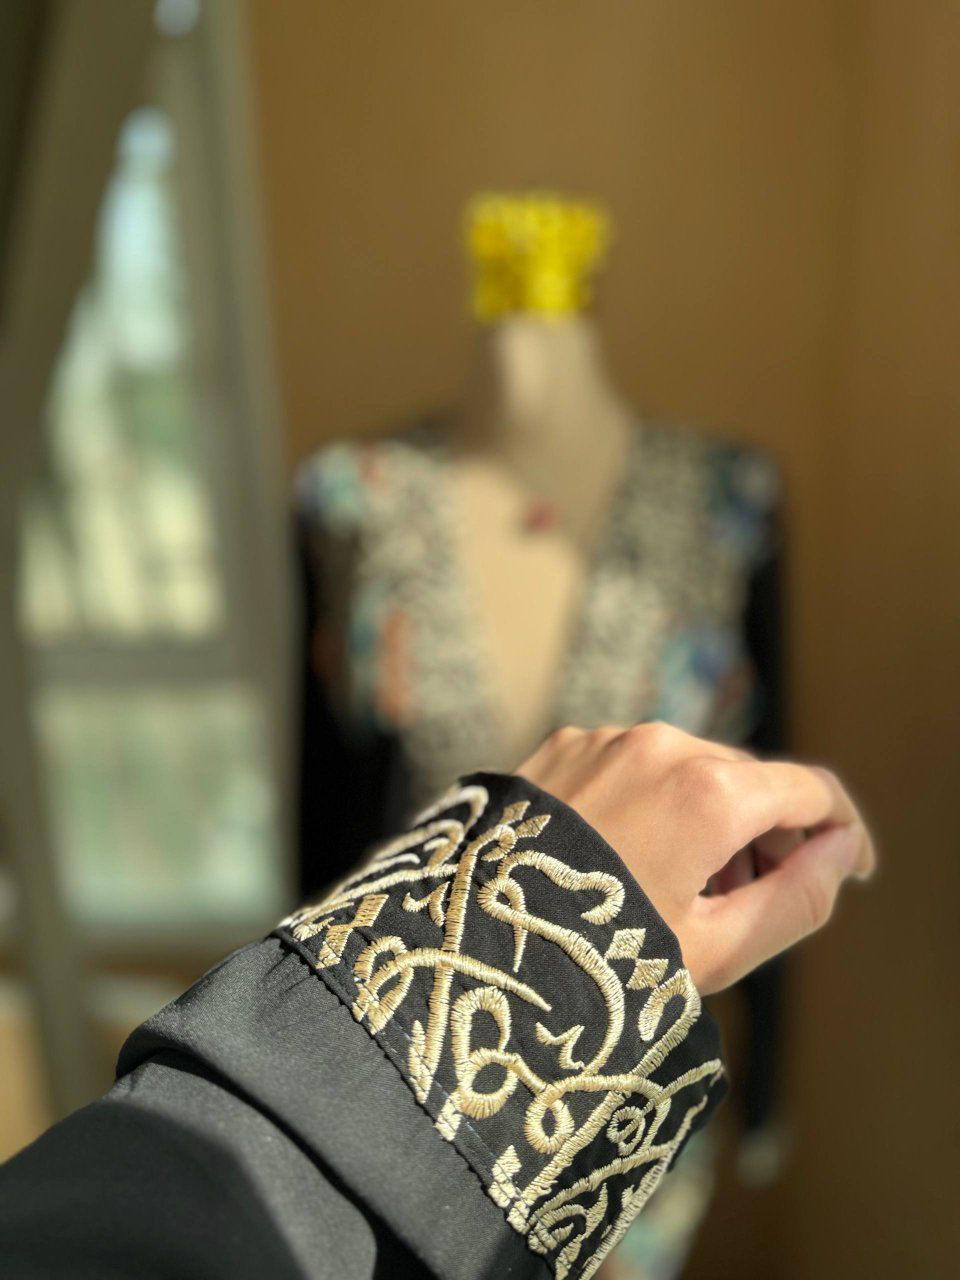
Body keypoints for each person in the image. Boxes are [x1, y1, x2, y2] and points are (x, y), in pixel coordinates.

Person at [0, 722, 874, 1279]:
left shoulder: (730, 502)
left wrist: (765, 1103)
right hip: (432, 1015)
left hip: (611, 1064)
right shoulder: (356, 503)